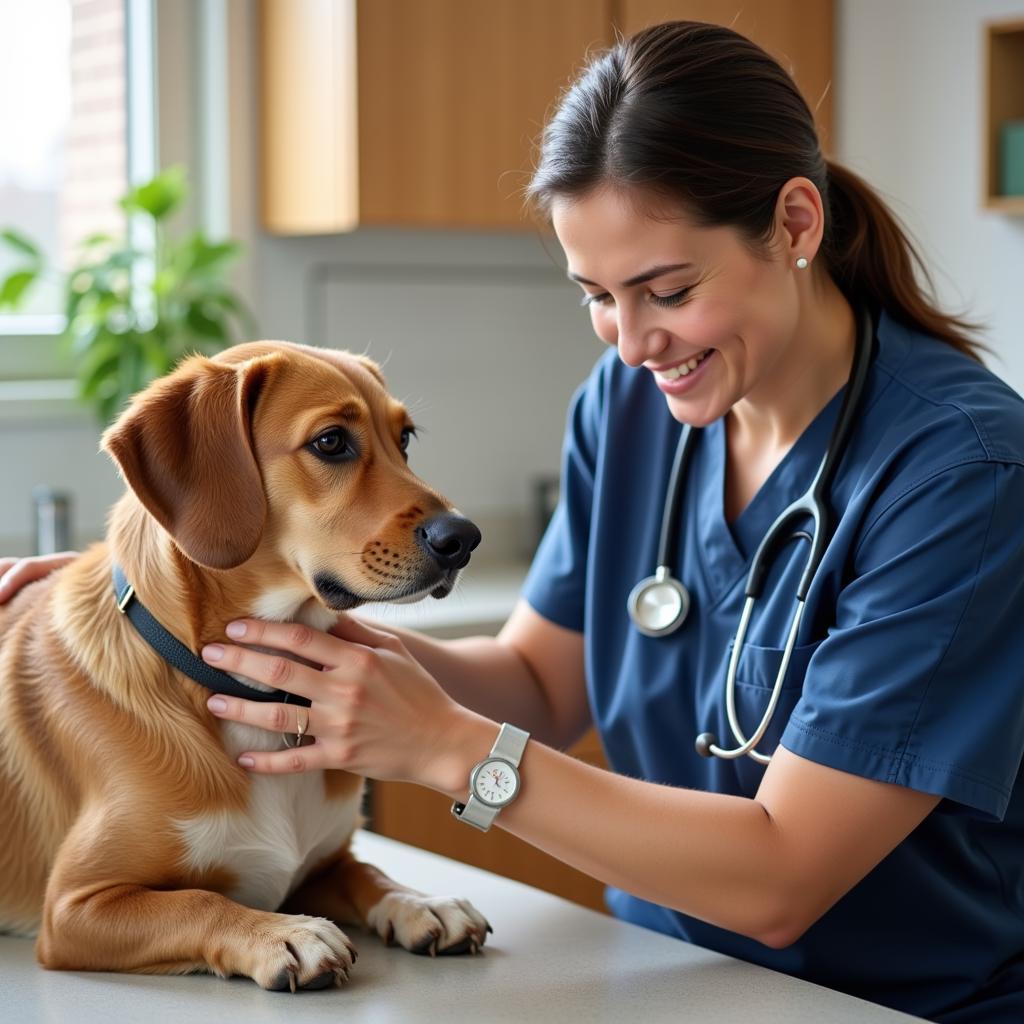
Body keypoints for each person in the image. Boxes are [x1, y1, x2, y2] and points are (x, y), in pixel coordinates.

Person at [3, 21, 1022, 1023]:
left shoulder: (962, 476)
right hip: (664, 972)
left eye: (667, 289)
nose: (630, 342)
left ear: (796, 224)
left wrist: (455, 751)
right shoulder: (633, 406)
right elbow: (539, 680)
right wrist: (192, 611)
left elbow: (782, 874)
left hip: (899, 1001)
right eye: (596, 296)